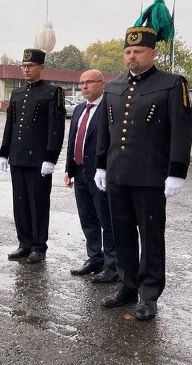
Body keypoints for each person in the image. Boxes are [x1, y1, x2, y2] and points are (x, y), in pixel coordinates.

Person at [95, 0, 192, 320]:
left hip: (151, 177)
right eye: (127, 51)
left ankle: (149, 294)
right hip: (118, 174)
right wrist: (100, 165)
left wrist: (176, 171)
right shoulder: (114, 86)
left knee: (151, 236)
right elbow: (105, 131)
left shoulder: (171, 84)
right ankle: (127, 285)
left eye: (138, 51)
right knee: (121, 231)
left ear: (153, 53)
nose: (131, 56)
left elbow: (182, 130)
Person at [0, 48, 66, 263]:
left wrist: (50, 157)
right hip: (18, 157)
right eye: (24, 66)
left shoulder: (52, 92)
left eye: (31, 66)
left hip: (38, 159)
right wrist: (3, 152)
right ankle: (24, 243)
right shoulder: (17, 94)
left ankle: (39, 245)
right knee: (20, 202)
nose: (26, 70)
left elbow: (56, 128)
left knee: (38, 203)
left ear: (41, 67)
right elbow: (10, 124)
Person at [64, 70, 117, 282]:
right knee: (88, 219)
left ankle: (112, 266)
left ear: (102, 84)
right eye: (81, 83)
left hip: (100, 174)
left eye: (89, 83)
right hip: (80, 172)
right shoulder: (78, 109)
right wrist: (69, 169)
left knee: (107, 220)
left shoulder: (110, 108)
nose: (84, 87)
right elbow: (73, 140)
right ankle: (95, 258)